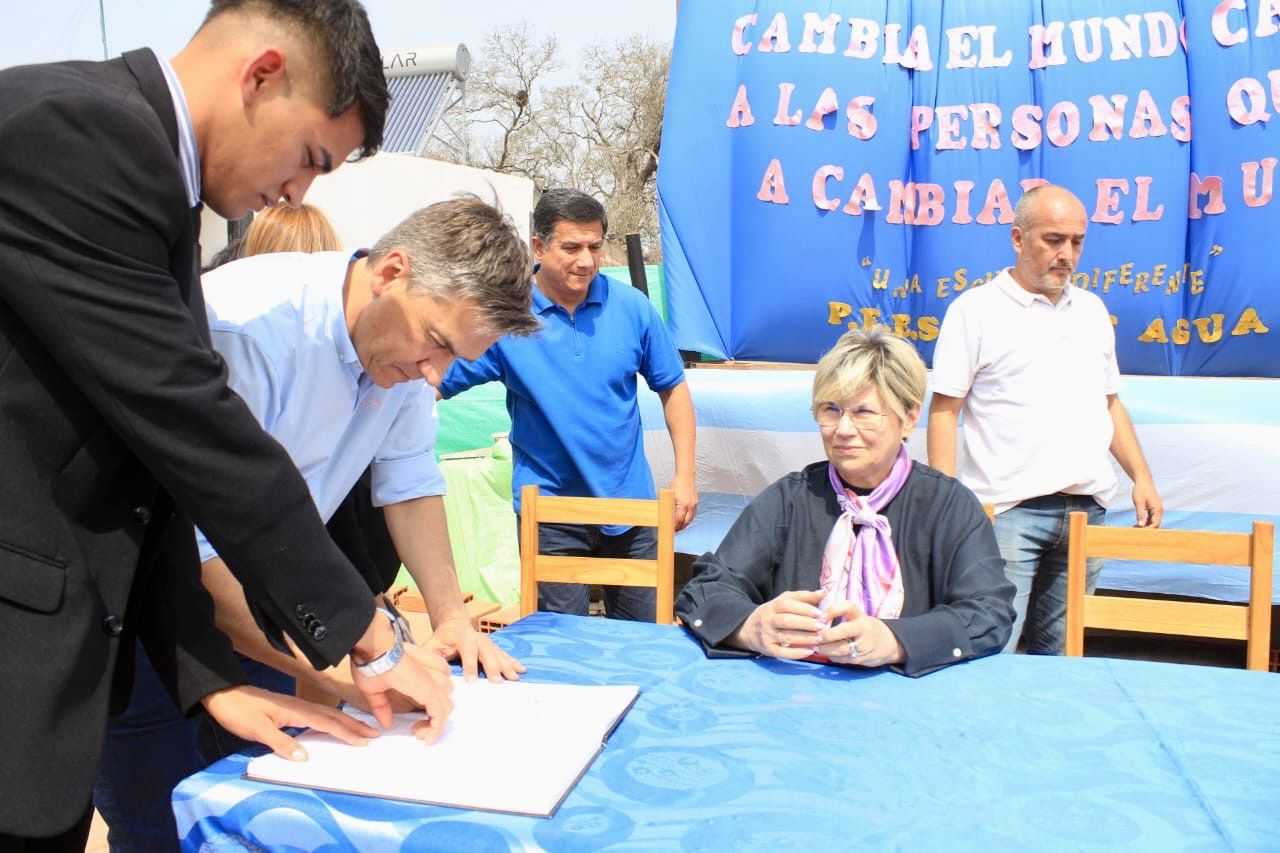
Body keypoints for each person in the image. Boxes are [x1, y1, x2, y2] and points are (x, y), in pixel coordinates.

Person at [0, 2, 448, 848]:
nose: (297, 192)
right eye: (312, 157)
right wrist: (374, 634)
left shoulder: (157, 182)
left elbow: (144, 469)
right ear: (263, 74)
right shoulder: (86, 133)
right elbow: (194, 427)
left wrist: (206, 676)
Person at [95, 196, 537, 852]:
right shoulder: (248, 329)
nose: (434, 375)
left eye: (455, 360)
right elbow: (198, 546)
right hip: (154, 632)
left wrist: (450, 617)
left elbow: (411, 484)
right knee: (162, 828)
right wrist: (354, 664)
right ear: (392, 271)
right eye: (437, 343)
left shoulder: (407, 364)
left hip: (273, 621)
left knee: (266, 819)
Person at [676, 327, 1013, 675]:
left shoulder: (948, 506)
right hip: (797, 693)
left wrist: (894, 640)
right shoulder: (790, 499)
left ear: (909, 418)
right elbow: (706, 589)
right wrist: (751, 627)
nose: (843, 429)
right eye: (831, 410)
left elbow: (989, 613)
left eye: (864, 412)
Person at [439, 189, 698, 622]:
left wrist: (685, 475)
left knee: (643, 643)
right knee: (560, 644)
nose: (586, 261)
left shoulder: (633, 308)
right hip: (550, 512)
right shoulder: (506, 314)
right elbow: (433, 381)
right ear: (538, 246)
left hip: (629, 507)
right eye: (571, 247)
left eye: (595, 247)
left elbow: (674, 389)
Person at [927, 184, 1164, 655]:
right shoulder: (974, 312)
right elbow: (944, 412)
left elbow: (1109, 403)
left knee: (1063, 663)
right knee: (990, 650)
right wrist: (945, 504)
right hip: (1007, 513)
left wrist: (1142, 477)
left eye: (1076, 242)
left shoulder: (1092, 310)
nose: (1066, 254)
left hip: (1087, 511)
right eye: (1053, 240)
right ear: (1017, 238)